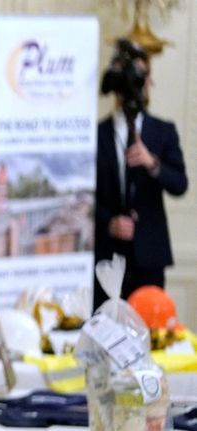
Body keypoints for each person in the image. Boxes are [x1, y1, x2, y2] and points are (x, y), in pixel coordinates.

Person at [94, 45, 188, 309]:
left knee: (150, 333)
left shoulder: (163, 131)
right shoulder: (96, 134)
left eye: (142, 75)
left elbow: (180, 184)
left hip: (150, 256)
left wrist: (152, 163)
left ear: (149, 81)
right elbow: (83, 196)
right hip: (106, 258)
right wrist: (108, 222)